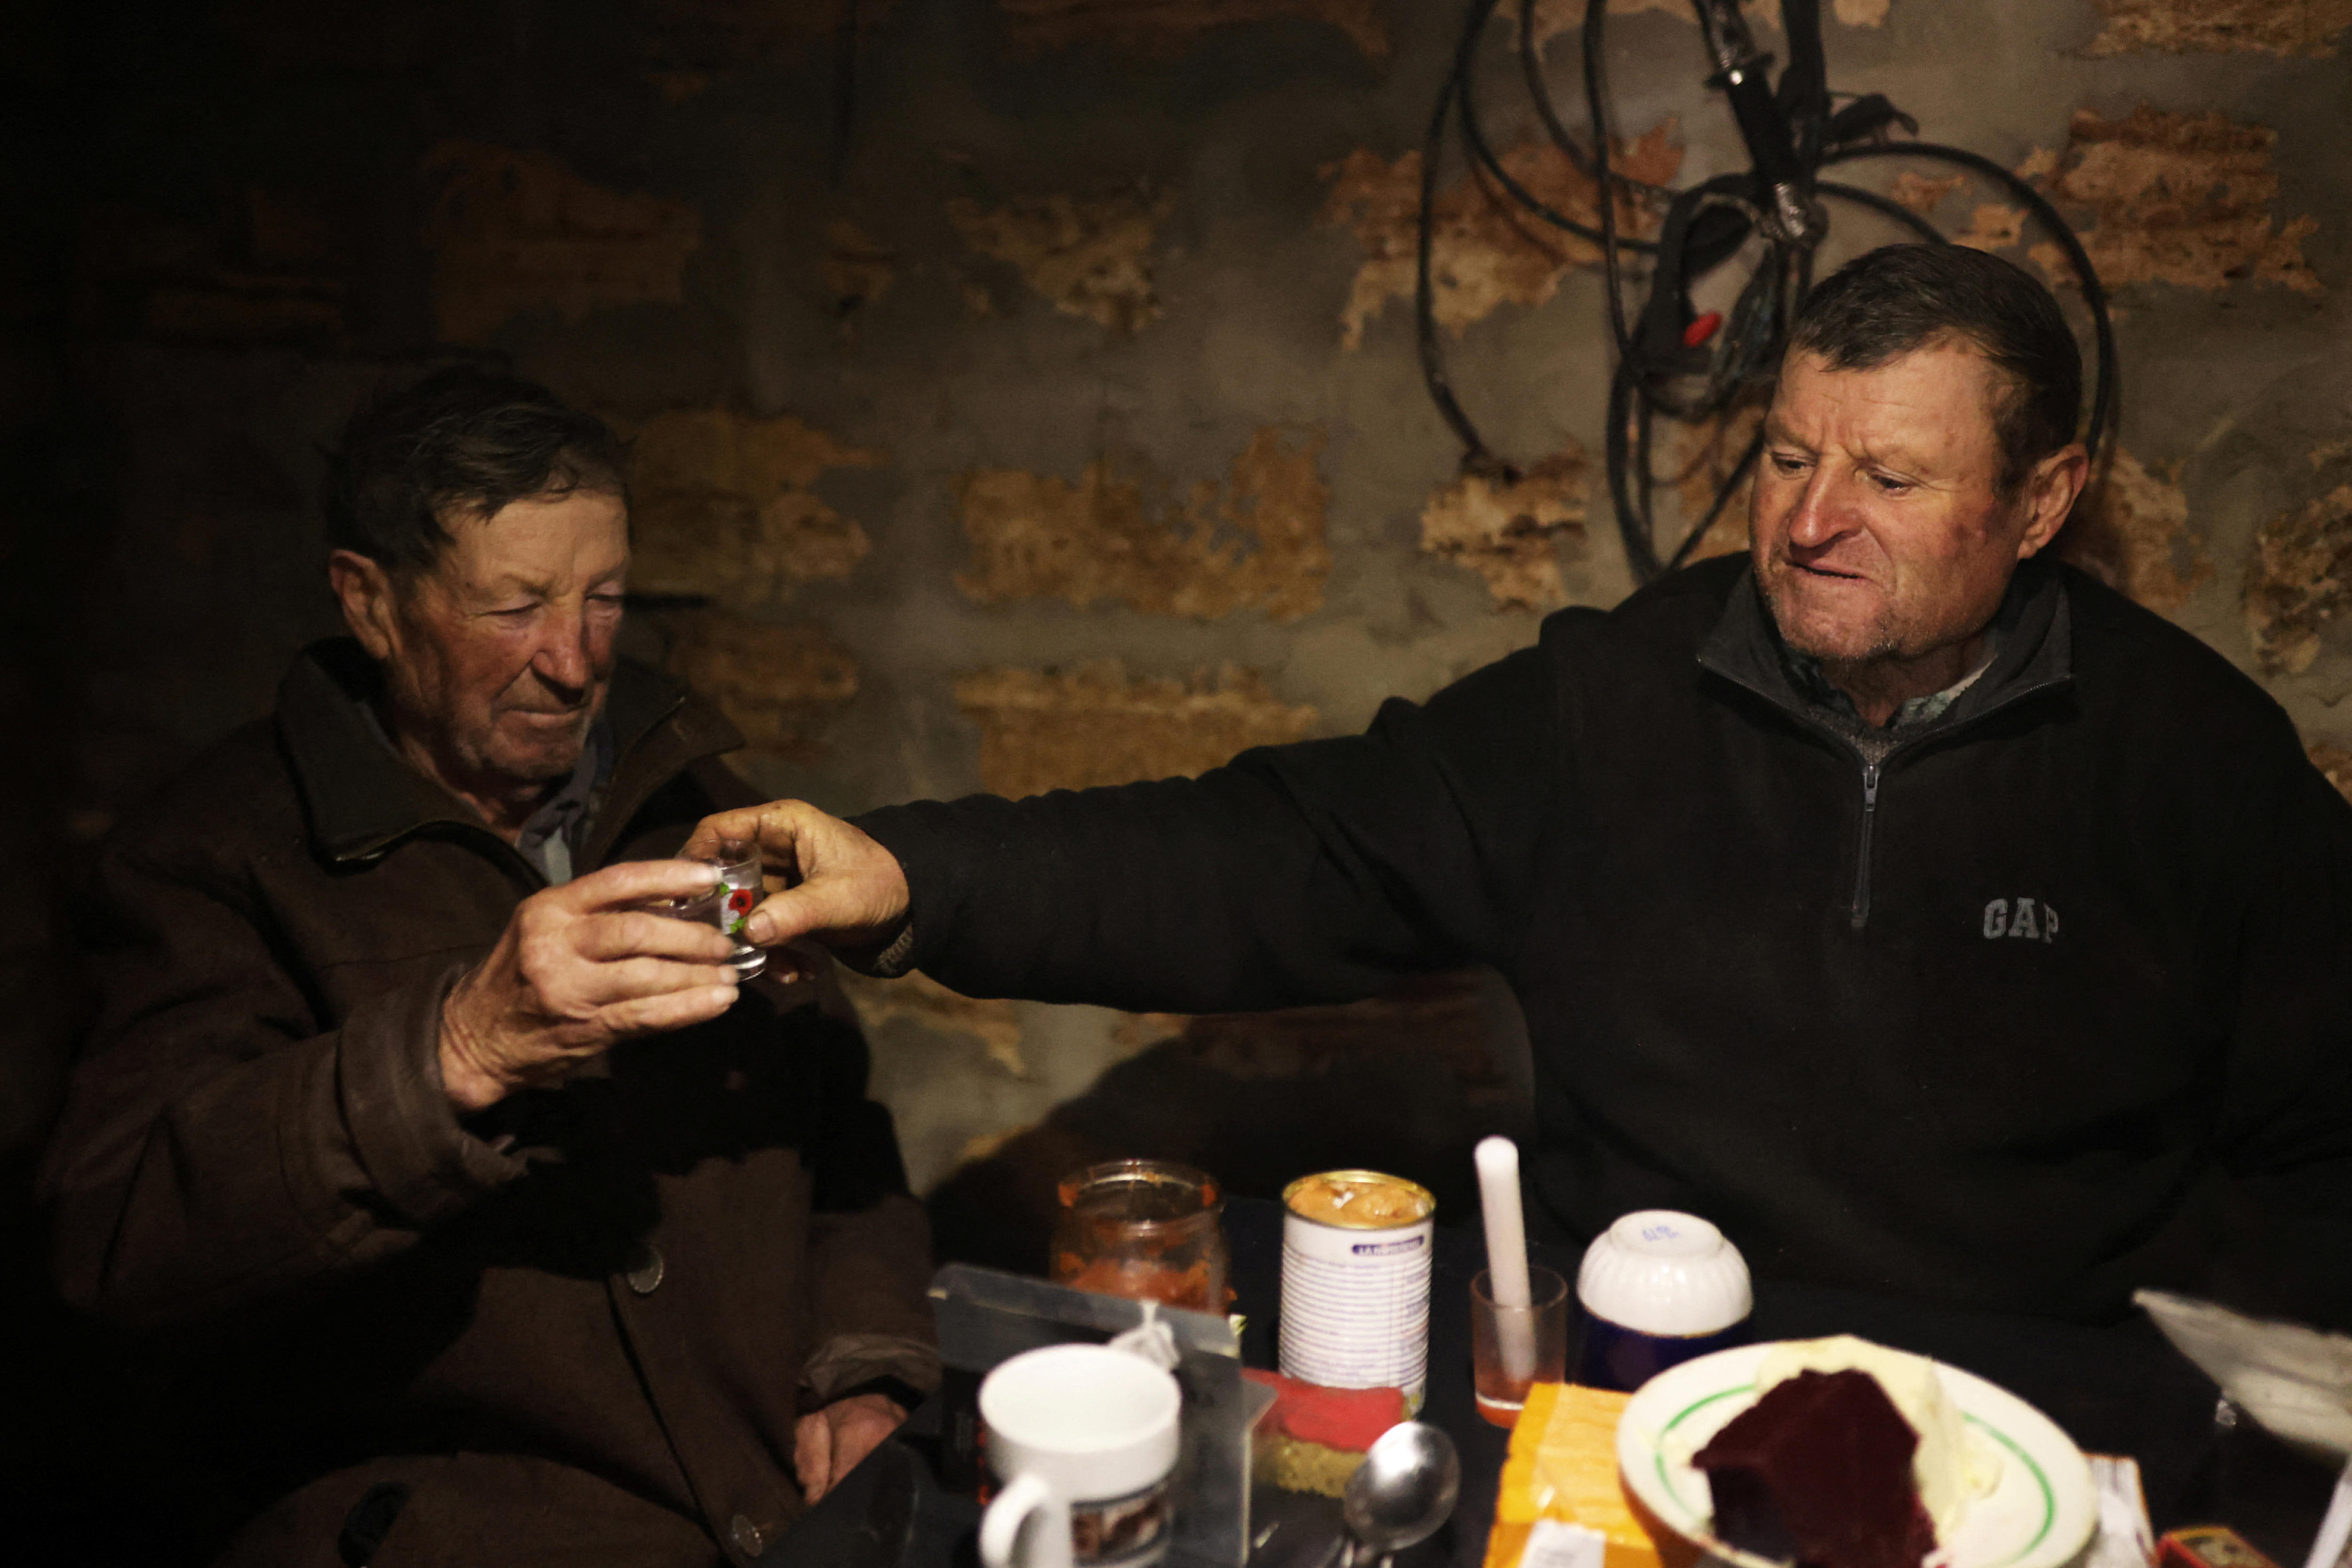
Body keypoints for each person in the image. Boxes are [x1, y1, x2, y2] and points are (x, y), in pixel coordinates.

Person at [692, 244, 2352, 1329]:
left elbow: (2327, 1138)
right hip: (1632, 1374)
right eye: (1788, 454)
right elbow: (1272, 854)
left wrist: (2203, 1420)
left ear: (2044, 499)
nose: (1810, 518)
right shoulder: (1614, 701)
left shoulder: (2189, 762)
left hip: (2021, 1428)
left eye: (1893, 474)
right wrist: (913, 877)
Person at [40, 368, 938, 1567]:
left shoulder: (689, 800)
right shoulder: (213, 859)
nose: (573, 664)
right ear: (371, 604)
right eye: (514, 607)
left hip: (766, 1506)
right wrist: (459, 1047)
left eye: (604, 596)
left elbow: (838, 1124)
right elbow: (117, 1243)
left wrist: (862, 1362)